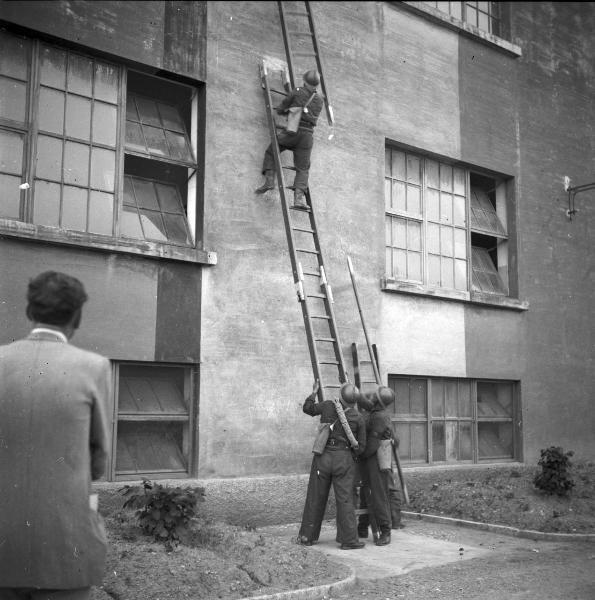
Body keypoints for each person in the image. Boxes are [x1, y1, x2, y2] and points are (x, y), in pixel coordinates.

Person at [0, 271, 111, 600]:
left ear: (29, 312)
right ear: (76, 317)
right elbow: (99, 458)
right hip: (64, 545)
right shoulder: (94, 366)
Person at [298, 379, 367, 550]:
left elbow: (308, 408)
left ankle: (307, 537)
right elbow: (361, 448)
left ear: (340, 395)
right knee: (345, 499)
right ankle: (348, 540)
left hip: (323, 458)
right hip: (344, 460)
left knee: (315, 496)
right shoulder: (358, 418)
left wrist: (314, 392)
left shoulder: (328, 405)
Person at [255, 69, 324, 209]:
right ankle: (298, 199)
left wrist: (282, 110)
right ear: (317, 84)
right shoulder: (320, 100)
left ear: (305, 80)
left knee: (271, 150)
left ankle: (269, 180)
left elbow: (282, 107)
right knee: (303, 168)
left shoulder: (298, 91)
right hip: (307, 136)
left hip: (293, 132)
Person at [357, 385, 397, 546]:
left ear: (379, 401)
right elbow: (366, 404)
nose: (371, 396)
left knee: (379, 495)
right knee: (366, 493)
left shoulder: (379, 417)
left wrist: (359, 453)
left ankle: (385, 531)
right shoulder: (376, 411)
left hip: (376, 458)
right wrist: (355, 392)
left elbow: (373, 445)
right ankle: (362, 526)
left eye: (375, 395)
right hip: (370, 458)